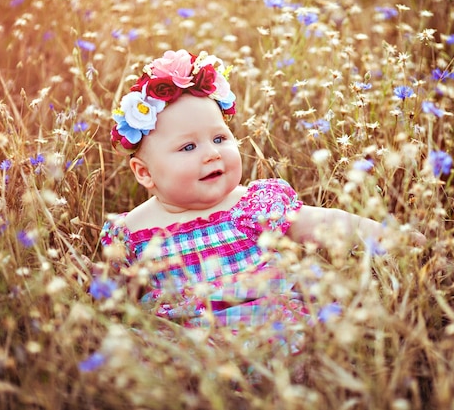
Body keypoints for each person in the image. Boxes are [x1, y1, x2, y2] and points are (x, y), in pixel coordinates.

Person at [100, 49, 425, 329]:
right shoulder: (130, 232)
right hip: (182, 343)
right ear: (144, 173)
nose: (212, 153)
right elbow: (110, 300)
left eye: (219, 138)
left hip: (266, 327)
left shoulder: (253, 206)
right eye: (188, 147)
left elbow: (324, 223)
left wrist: (384, 235)